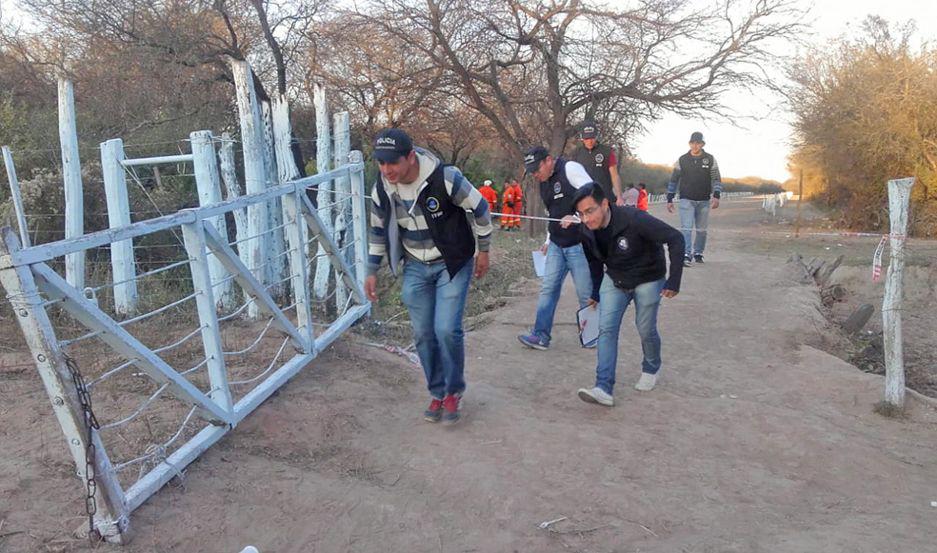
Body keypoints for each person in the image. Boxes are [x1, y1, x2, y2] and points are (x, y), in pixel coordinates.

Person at [365, 128, 492, 425]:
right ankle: (437, 391)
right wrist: (371, 270)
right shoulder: (383, 187)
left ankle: (453, 391)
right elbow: (377, 230)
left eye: (392, 163)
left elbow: (481, 208)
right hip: (415, 266)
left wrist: (483, 251)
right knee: (423, 333)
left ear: (410, 157)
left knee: (446, 329)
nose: (387, 170)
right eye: (381, 164)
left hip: (452, 263)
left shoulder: (444, 178)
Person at [567, 183, 684, 406]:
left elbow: (676, 238)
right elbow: (593, 261)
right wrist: (595, 291)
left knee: (645, 327)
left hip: (648, 277)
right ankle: (603, 387)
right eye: (581, 214)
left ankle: (651, 367)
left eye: (590, 211)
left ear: (604, 204)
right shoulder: (585, 230)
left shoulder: (635, 219)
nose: (585, 219)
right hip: (615, 278)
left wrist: (674, 279)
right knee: (606, 329)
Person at [517, 146, 601, 350]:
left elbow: (594, 195)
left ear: (548, 160)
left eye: (537, 169)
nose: (535, 174)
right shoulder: (542, 183)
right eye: (532, 171)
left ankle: (593, 336)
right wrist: (547, 240)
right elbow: (552, 213)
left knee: (585, 293)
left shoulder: (570, 169)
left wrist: (576, 217)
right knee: (548, 289)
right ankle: (541, 335)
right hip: (556, 244)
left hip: (580, 244)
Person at [666, 131, 722, 266]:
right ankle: (686, 254)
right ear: (689, 144)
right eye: (693, 143)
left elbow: (716, 179)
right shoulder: (682, 159)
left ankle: (698, 252)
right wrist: (670, 198)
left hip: (703, 199)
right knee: (686, 228)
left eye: (698, 143)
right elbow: (674, 180)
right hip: (686, 198)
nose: (695, 146)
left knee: (702, 230)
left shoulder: (710, 159)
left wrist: (716, 196)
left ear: (702, 144)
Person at [571, 121, 625, 206]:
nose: (589, 141)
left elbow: (614, 175)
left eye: (592, 138)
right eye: (586, 139)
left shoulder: (607, 152)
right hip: (584, 198)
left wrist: (619, 197)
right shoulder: (576, 153)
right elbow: (572, 176)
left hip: (604, 197)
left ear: (596, 136)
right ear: (582, 138)